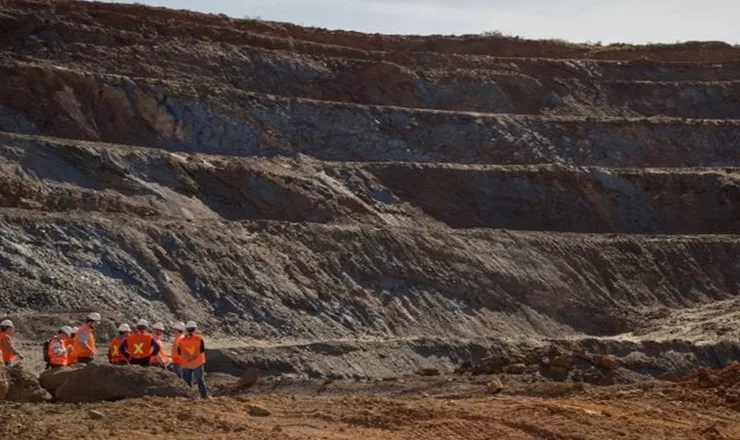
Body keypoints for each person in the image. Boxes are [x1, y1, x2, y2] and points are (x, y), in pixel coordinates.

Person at [178, 321, 208, 398]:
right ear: (195, 329)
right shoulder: (199, 339)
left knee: (187, 382)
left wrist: (188, 357)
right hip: (197, 363)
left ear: (186, 330)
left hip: (186, 364)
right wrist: (193, 357)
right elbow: (201, 350)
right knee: (200, 380)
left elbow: (180, 352)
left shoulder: (181, 340)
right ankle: (204, 396)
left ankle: (189, 396)